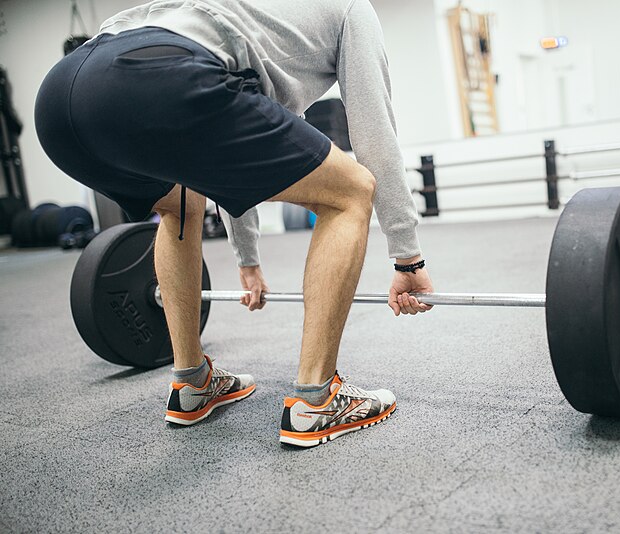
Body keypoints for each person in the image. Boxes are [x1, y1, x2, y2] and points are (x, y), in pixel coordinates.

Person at [34, 0, 434, 448]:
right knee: (352, 190)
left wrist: (248, 260)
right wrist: (407, 256)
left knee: (181, 201)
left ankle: (192, 384)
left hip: (60, 98)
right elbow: (373, 134)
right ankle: (317, 402)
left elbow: (222, 166)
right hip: (163, 77)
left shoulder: (243, 14)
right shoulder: (350, 9)